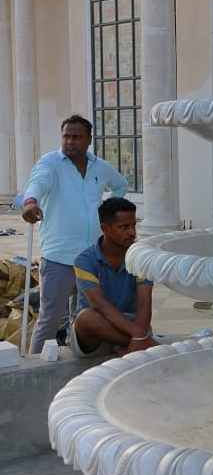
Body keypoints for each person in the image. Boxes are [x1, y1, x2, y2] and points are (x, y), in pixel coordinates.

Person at [21, 115, 128, 353]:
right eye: (66, 136)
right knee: (50, 319)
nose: (70, 141)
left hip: (91, 258)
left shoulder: (99, 167)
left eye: (76, 137)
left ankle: (76, 360)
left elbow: (121, 184)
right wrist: (30, 203)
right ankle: (35, 369)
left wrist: (107, 214)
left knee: (84, 316)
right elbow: (36, 184)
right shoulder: (50, 164)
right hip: (59, 257)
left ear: (89, 139)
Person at [71, 197, 157, 357]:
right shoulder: (84, 261)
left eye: (133, 225)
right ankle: (146, 345)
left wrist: (140, 331)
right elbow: (100, 305)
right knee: (85, 319)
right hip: (98, 331)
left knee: (141, 326)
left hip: (132, 325)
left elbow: (145, 304)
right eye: (124, 227)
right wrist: (139, 335)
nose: (132, 232)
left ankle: (138, 344)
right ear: (105, 228)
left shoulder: (141, 257)